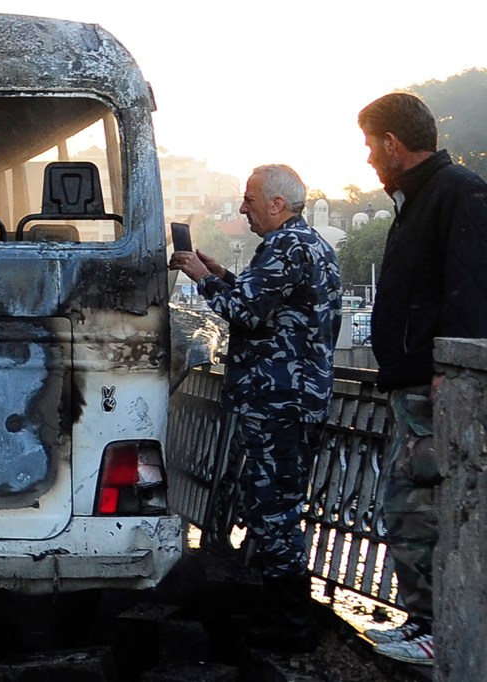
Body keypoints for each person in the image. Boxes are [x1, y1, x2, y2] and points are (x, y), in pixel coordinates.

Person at [169, 164, 342, 653]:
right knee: (274, 507)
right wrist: (221, 273)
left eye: (249, 199)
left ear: (276, 204)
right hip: (293, 402)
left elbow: (244, 312)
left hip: (278, 404)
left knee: (275, 512)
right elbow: (262, 301)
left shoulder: (287, 247)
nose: (243, 208)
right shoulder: (308, 246)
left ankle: (293, 625)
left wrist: (201, 278)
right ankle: (281, 614)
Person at [357, 92, 487, 666]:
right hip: (409, 382)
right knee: (405, 506)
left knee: (420, 507)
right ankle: (422, 621)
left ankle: (437, 628)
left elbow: (471, 286)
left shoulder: (456, 192)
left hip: (430, 385)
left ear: (392, 143)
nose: (366, 159)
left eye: (369, 144)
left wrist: (445, 374)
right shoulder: (420, 198)